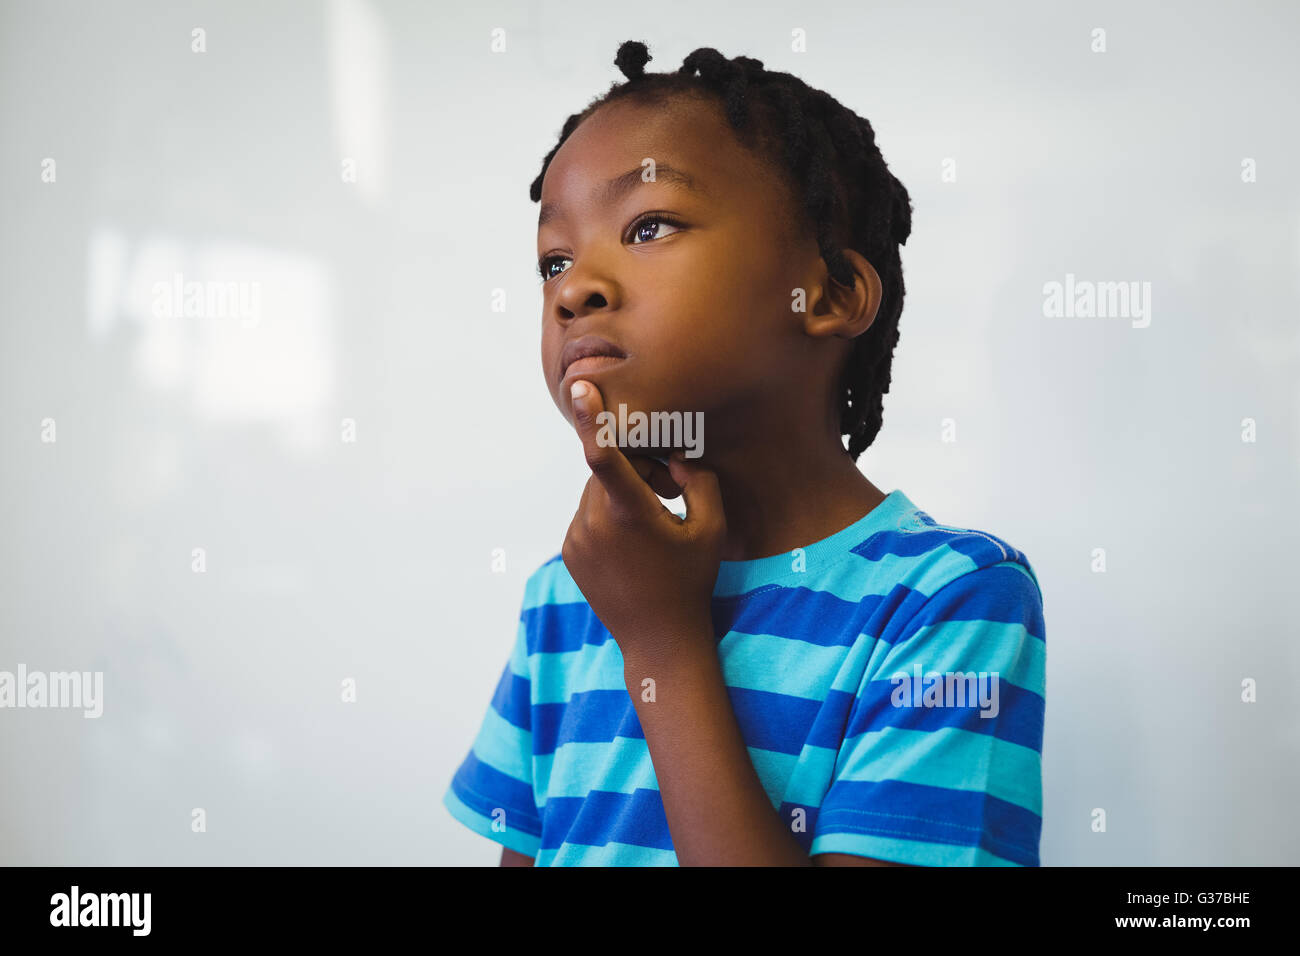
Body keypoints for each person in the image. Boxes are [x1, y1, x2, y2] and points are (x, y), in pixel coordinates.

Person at [442, 40, 1046, 866]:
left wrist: (663, 641)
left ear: (829, 294)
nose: (574, 288)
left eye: (648, 225)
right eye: (555, 260)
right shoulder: (567, 595)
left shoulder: (948, 603)